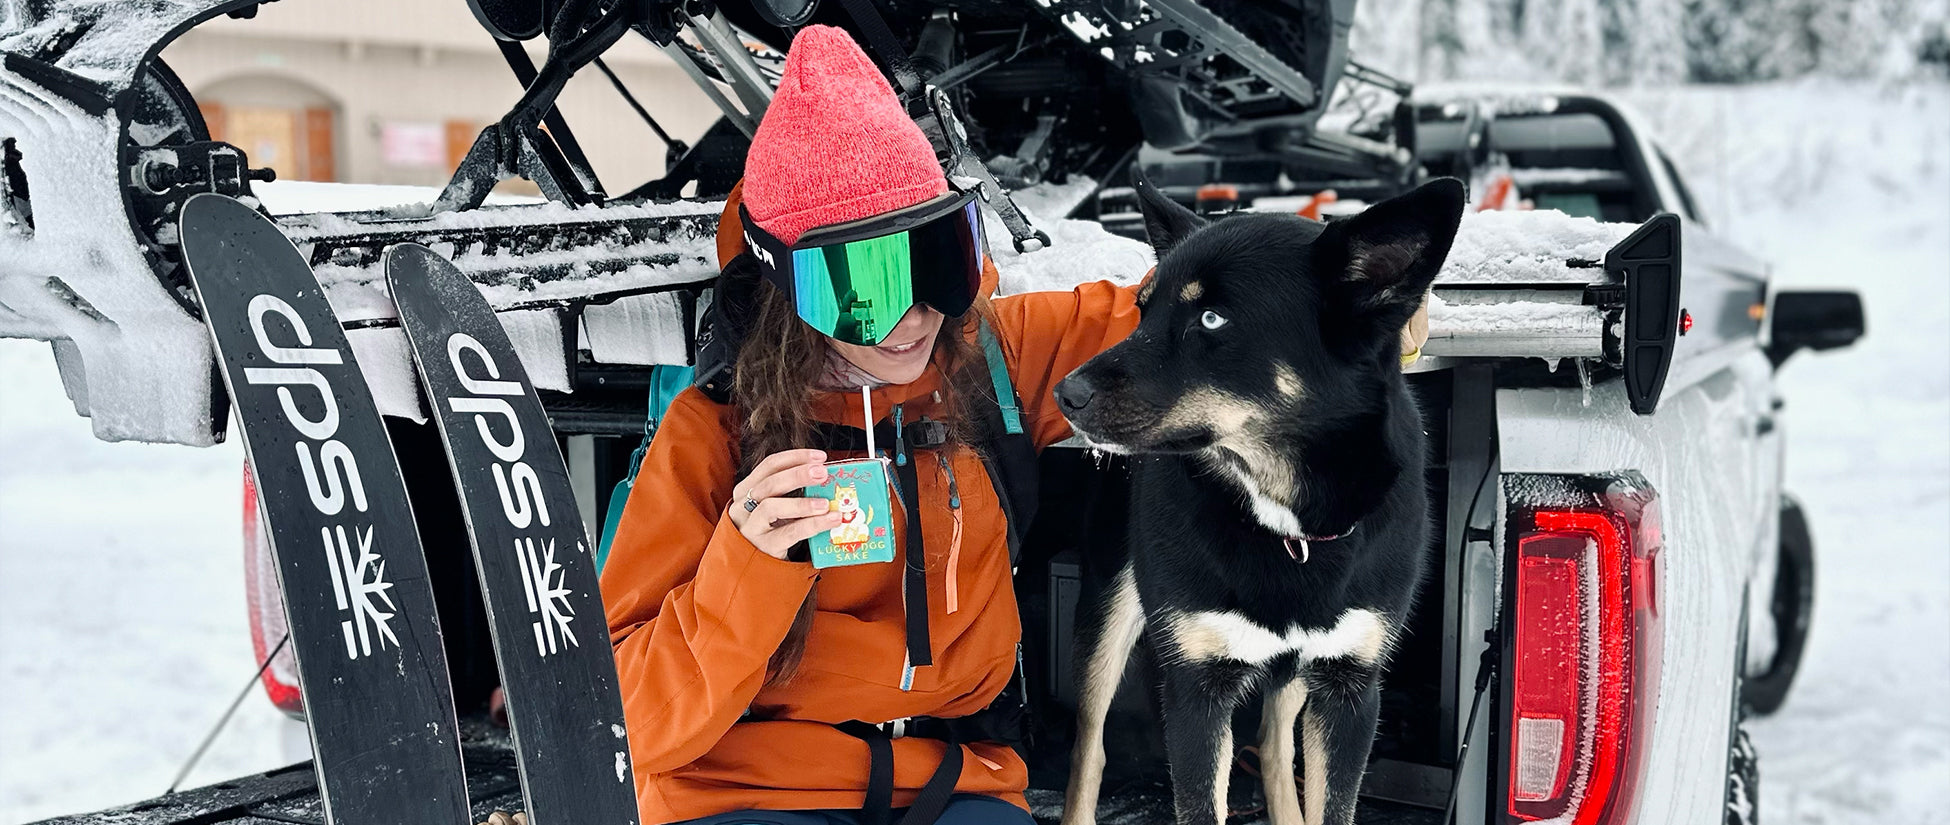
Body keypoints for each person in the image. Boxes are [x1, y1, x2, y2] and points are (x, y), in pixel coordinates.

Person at [599, 25, 1432, 825]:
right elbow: (620, 721)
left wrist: (1350, 313)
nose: (913, 316)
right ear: (788, 290)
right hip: (748, 790)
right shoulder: (709, 435)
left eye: (937, 260)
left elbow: (1175, 316)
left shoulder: (989, 358)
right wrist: (743, 567)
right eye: (865, 284)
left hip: (954, 782)